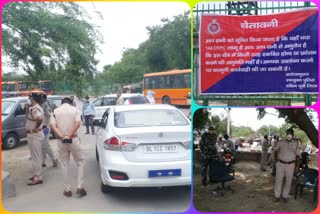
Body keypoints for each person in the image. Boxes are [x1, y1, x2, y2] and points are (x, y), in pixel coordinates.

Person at [50, 97, 87, 197]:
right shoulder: (75, 110)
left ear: (61, 103)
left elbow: (53, 126)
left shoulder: (55, 111)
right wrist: (69, 136)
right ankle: (80, 187)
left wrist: (63, 137)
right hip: (73, 139)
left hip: (61, 141)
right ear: (70, 103)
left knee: (64, 164)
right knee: (80, 162)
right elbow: (78, 123)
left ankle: (67, 190)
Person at [274, 128, 300, 203]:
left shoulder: (296, 143)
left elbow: (298, 155)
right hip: (280, 164)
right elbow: (275, 151)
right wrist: (276, 162)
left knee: (288, 181)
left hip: (291, 165)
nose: (289, 135)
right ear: (286, 134)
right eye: (288, 133)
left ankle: (285, 196)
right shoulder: (280, 142)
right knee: (278, 180)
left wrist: (297, 166)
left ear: (293, 135)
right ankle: (277, 196)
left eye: (291, 133)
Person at [25, 93, 45, 185]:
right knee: (36, 156)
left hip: (34, 135)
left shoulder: (35, 109)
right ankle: (36, 174)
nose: (28, 99)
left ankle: (38, 177)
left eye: (29, 98)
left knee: (36, 157)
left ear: (33, 99)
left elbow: (40, 118)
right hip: (36, 135)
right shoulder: (35, 107)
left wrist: (36, 127)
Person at [40, 93, 58, 168]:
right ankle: (43, 162)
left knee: (46, 144)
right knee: (42, 145)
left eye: (41, 98)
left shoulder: (46, 106)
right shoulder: (41, 106)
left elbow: (50, 115)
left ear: (44, 98)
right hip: (42, 127)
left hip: (46, 127)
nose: (40, 99)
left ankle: (54, 159)